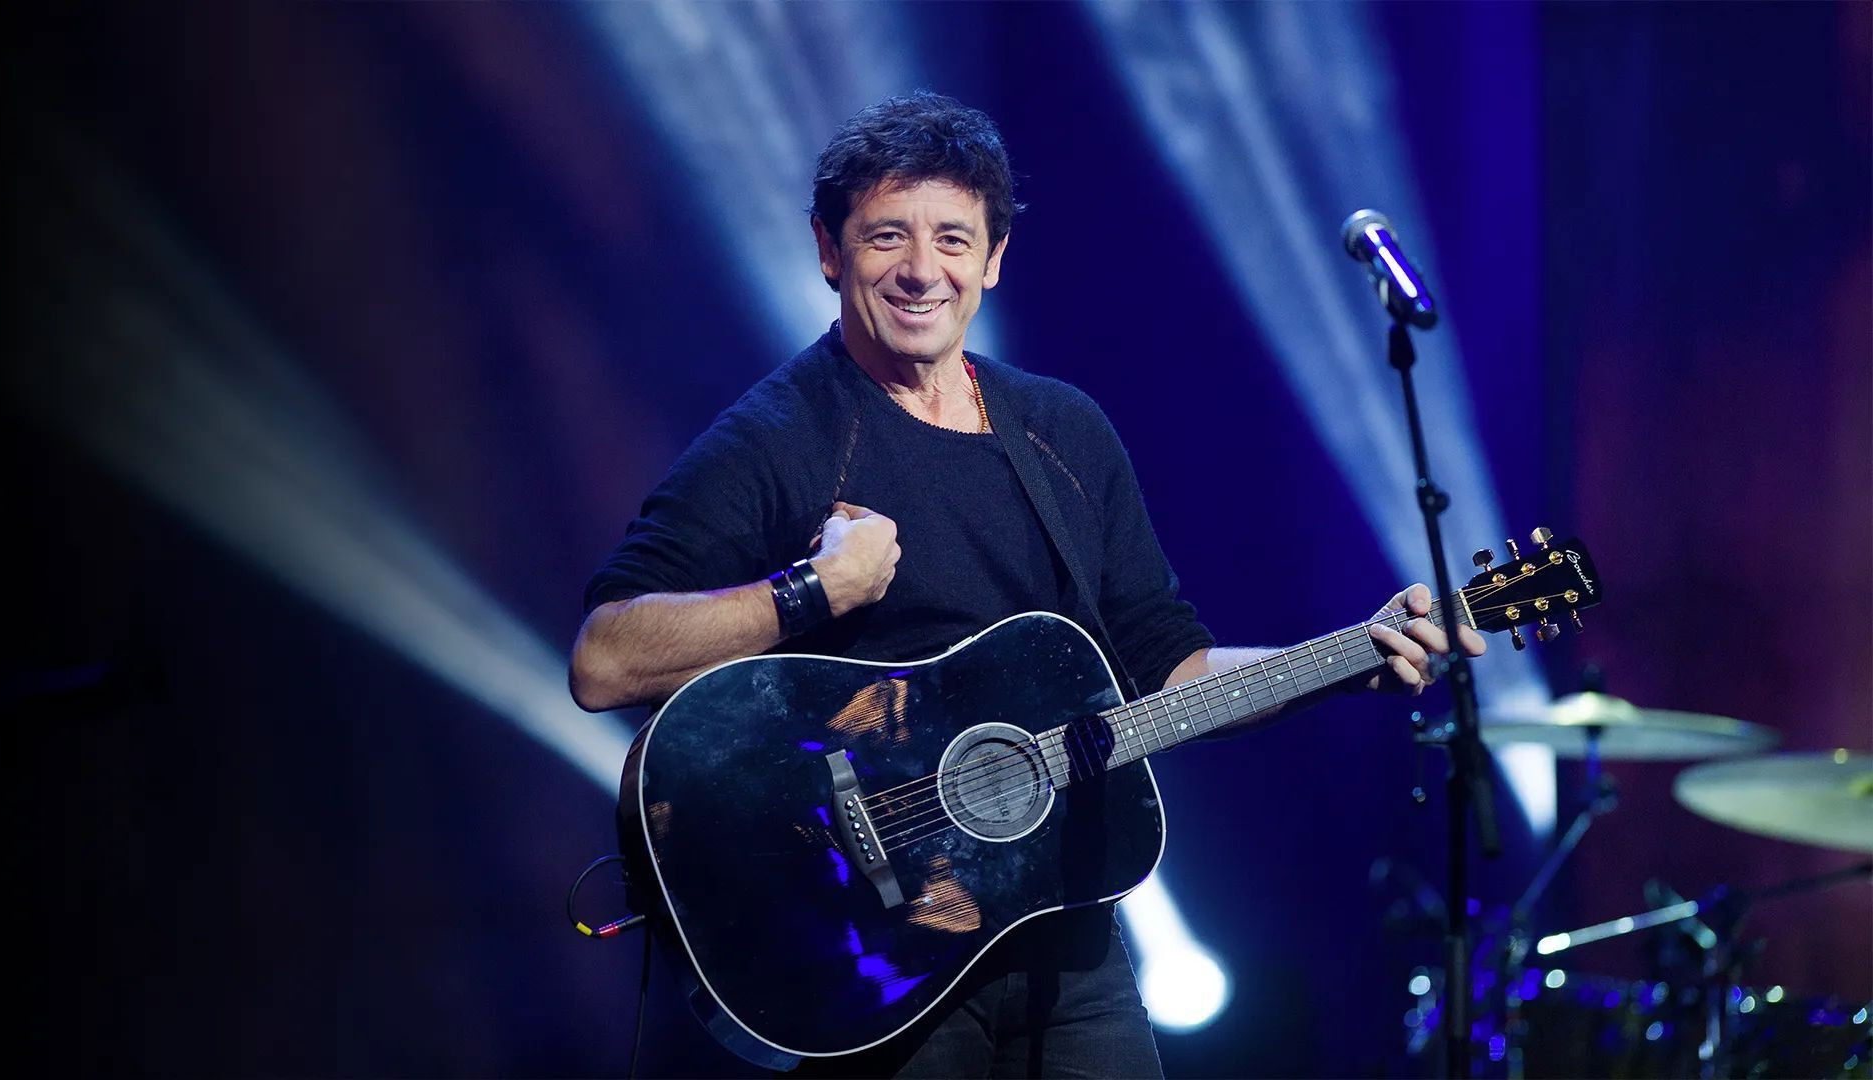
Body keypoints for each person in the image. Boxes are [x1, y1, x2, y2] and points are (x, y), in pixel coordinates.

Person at [570, 91, 1485, 1079]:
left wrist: (1346, 660)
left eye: (954, 240)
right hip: (881, 963)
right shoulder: (775, 439)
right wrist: (811, 591)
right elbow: (604, 660)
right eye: (887, 236)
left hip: (1064, 936)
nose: (922, 270)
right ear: (830, 251)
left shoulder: (1062, 431)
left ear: (993, 259)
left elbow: (1167, 665)